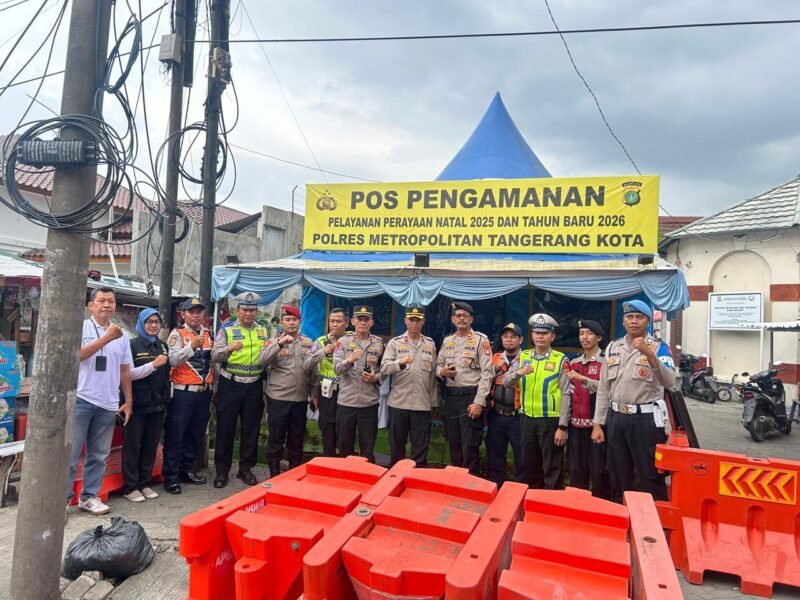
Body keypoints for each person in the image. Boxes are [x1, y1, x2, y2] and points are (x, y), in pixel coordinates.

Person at [592, 300, 675, 501]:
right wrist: (598, 423)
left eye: (639, 317)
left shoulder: (659, 347)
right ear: (623, 321)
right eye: (630, 317)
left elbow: (670, 381)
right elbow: (604, 387)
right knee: (618, 472)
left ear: (647, 322)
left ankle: (654, 523)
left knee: (650, 475)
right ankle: (622, 516)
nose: (634, 321)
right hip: (617, 418)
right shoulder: (613, 347)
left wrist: (649, 354)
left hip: (645, 420)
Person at [68, 287, 133, 515]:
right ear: (91, 305)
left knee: (99, 454)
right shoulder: (82, 328)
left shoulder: (122, 334)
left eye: (111, 301)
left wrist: (128, 400)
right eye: (102, 301)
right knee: (72, 452)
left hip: (108, 402)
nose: (107, 305)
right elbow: (75, 356)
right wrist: (106, 338)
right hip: (82, 398)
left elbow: (125, 370)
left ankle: (89, 497)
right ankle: (63, 500)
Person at [503, 313, 571, 489]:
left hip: (550, 420)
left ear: (552, 336)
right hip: (527, 418)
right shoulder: (523, 356)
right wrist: (518, 373)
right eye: (537, 333)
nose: (540, 336)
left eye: (545, 333)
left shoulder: (560, 359)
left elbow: (566, 394)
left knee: (552, 465)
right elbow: (506, 381)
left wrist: (562, 426)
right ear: (532, 335)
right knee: (529, 464)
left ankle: (551, 503)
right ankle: (533, 501)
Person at [211, 292, 270, 487]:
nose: (248, 313)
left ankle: (245, 469)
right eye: (245, 309)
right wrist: (228, 349)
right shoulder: (226, 329)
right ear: (238, 311)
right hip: (231, 384)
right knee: (225, 429)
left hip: (254, 385)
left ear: (257, 312)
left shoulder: (263, 330)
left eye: (252, 310)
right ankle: (221, 472)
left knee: (250, 430)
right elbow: (215, 355)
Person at [435, 301, 494, 476]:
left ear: (471, 319)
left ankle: (470, 485)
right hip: (452, 396)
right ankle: (455, 482)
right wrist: (442, 372)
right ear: (453, 319)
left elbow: (487, 373)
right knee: (454, 442)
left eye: (465, 316)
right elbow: (437, 366)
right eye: (458, 316)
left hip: (471, 396)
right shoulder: (448, 341)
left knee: (469, 445)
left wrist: (479, 402)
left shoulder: (480, 341)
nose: (461, 319)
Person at [163, 297, 214, 494]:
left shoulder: (208, 334)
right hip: (183, 392)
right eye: (191, 311)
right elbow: (173, 361)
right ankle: (171, 476)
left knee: (195, 434)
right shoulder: (177, 334)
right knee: (176, 434)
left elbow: (212, 364)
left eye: (199, 311)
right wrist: (191, 346)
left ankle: (186, 470)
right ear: (183, 314)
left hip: (203, 392)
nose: (195, 315)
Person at [262, 305, 317, 477]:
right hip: (279, 398)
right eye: (287, 320)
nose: (291, 323)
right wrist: (279, 344)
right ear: (281, 322)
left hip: (300, 399)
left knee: (296, 439)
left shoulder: (308, 343)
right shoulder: (272, 342)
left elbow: (314, 371)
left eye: (294, 320)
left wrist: (314, 394)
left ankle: (294, 475)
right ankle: (274, 474)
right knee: (276, 438)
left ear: (300, 322)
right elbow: (261, 360)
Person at [380, 305, 438, 467]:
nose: (414, 323)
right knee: (397, 448)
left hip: (421, 404)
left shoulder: (430, 344)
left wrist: (432, 403)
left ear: (423, 322)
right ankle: (395, 480)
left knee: (420, 449)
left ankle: (417, 481)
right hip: (399, 403)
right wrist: (399, 362)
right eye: (411, 320)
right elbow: (384, 368)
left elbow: (432, 376)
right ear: (405, 321)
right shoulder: (395, 343)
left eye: (418, 320)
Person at [123, 308, 170, 502]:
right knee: (132, 446)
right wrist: (153, 365)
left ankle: (144, 482)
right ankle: (130, 486)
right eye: (149, 322)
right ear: (141, 324)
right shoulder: (131, 345)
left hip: (158, 403)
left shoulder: (162, 345)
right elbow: (127, 374)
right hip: (137, 404)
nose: (153, 325)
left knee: (151, 446)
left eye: (156, 322)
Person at [566, 319, 612, 499]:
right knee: (576, 471)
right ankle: (577, 510)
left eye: (589, 333)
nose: (584, 337)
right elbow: (567, 393)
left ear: (599, 337)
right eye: (581, 333)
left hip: (598, 427)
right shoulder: (574, 362)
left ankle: (601, 511)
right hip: (575, 426)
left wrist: (584, 379)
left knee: (599, 472)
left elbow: (608, 390)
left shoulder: (606, 362)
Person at [333, 305, 384, 463]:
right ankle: (345, 481)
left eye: (366, 319)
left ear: (371, 322)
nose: (362, 322)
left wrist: (376, 377)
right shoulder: (343, 342)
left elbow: (385, 371)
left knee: (367, 448)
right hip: (347, 402)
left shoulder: (378, 344)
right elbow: (336, 369)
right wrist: (349, 360)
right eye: (359, 319)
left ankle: (367, 480)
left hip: (369, 403)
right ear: (353, 321)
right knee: (345, 446)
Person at [304, 308, 349, 457]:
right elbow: (307, 363)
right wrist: (323, 352)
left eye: (338, 321)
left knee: (344, 430)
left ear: (347, 323)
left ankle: (344, 465)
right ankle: (328, 462)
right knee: (327, 429)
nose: (334, 324)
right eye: (332, 321)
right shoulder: (321, 341)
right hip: (326, 392)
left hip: (347, 392)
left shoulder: (352, 341)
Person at [486, 322, 525, 486]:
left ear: (520, 340)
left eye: (513, 337)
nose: (509, 340)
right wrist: (495, 369)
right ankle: (497, 488)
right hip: (497, 414)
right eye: (506, 337)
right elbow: (485, 381)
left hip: (518, 416)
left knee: (521, 456)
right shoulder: (494, 358)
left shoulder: (527, 358)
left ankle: (518, 491)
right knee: (495, 455)